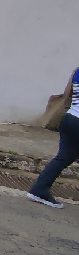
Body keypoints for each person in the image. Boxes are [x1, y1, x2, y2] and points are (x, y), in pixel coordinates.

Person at [28, 68, 79, 208]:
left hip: (70, 118)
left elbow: (68, 94)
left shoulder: (77, 70)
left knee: (63, 158)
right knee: (64, 157)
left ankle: (39, 190)